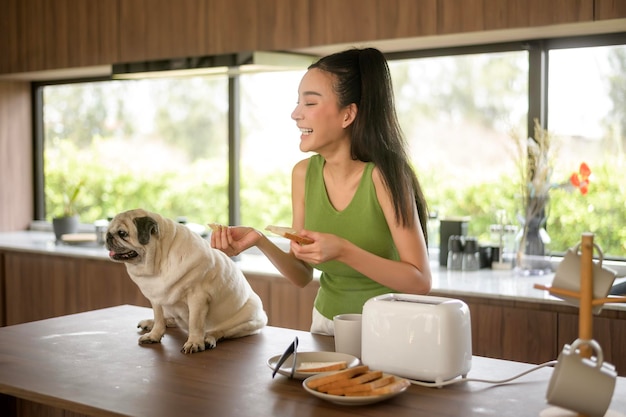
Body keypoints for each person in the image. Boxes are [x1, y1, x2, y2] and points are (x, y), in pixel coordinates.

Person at [211, 47, 432, 335]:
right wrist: (259, 240)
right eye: (297, 103)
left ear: (347, 114)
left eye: (310, 103)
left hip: (389, 329)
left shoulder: (385, 177)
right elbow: (303, 275)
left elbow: (420, 280)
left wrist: (343, 250)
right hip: (325, 324)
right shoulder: (303, 174)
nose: (295, 114)